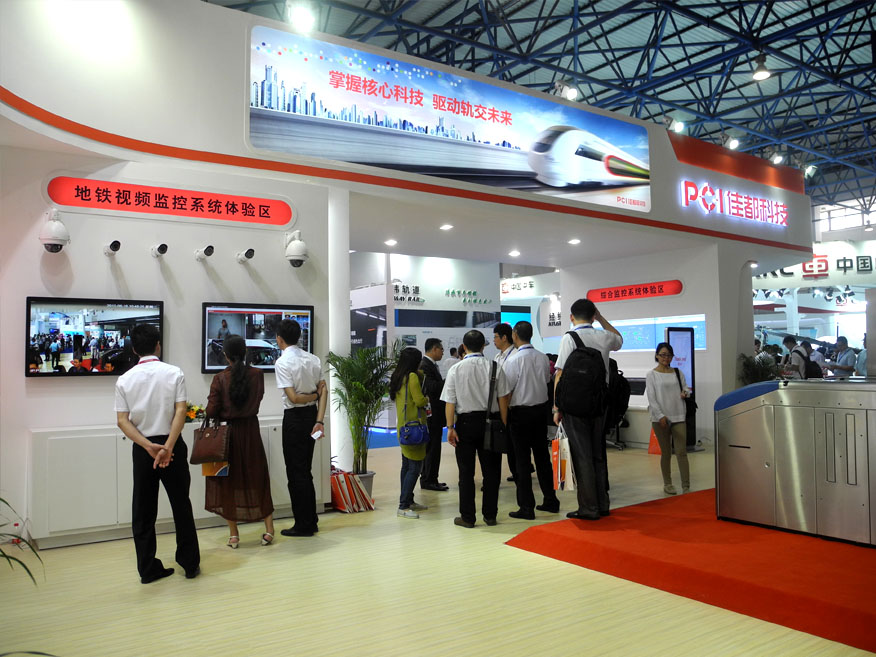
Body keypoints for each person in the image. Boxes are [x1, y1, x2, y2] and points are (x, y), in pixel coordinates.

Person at [114, 324, 200, 583]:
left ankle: (148, 568)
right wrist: (168, 447)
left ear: (133, 349)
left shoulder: (124, 379)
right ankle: (189, 564)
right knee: (181, 505)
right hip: (172, 446)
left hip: (144, 450)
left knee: (143, 510)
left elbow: (122, 420)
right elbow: (181, 411)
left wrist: (148, 446)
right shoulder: (174, 373)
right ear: (158, 345)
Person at [553, 299, 622, 520]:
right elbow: (619, 339)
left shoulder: (570, 337)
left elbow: (560, 373)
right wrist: (601, 319)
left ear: (571, 317)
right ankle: (602, 504)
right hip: (600, 403)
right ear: (593, 316)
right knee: (598, 454)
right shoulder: (604, 336)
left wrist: (556, 406)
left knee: (582, 455)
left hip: (575, 405)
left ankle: (588, 507)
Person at [204, 335, 274, 548]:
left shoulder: (219, 379)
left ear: (225, 355)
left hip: (227, 436)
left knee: (227, 482)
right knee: (258, 478)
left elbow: (211, 411)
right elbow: (258, 399)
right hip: (251, 432)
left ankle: (234, 535)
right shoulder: (258, 375)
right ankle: (269, 530)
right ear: (245, 352)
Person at [441, 330, 511, 528]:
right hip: (491, 423)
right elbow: (503, 399)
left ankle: (468, 517)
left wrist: (450, 427)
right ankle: (490, 515)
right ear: (483, 346)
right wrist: (503, 424)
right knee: (492, 472)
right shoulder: (495, 367)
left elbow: (450, 402)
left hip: (465, 424)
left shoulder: (456, 369)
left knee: (466, 473)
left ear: (464, 347)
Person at [274, 319, 327, 537]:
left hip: (294, 420)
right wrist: (319, 421)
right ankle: (311, 520)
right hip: (312, 418)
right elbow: (324, 391)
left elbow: (294, 398)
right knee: (305, 470)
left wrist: (313, 396)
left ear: (279, 339)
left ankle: (303, 524)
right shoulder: (313, 359)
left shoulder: (282, 363)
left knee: (296, 473)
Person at [503, 321, 559, 519]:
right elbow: (546, 381)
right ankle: (551, 500)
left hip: (520, 414)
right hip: (540, 412)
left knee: (522, 461)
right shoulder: (543, 357)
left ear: (515, 335)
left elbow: (507, 390)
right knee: (543, 458)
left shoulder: (513, 360)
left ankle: (527, 507)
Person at [389, 347, 430, 518]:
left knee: (406, 466)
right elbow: (419, 400)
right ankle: (404, 505)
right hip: (415, 427)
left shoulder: (398, 376)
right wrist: (427, 399)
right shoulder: (412, 377)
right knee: (415, 467)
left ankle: (408, 500)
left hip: (404, 427)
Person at [645, 343, 691, 495]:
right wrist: (660, 416)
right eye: (663, 355)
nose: (666, 358)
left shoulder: (677, 372)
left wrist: (685, 393)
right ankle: (668, 484)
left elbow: (686, 388)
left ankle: (686, 485)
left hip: (679, 416)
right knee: (666, 453)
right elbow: (652, 398)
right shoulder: (651, 375)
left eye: (669, 355)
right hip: (661, 419)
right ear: (657, 355)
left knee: (681, 452)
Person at [493, 323, 522, 482]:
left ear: (505, 337)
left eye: (496, 337)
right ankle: (515, 471)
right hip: (501, 405)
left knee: (515, 443)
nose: (494, 340)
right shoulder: (497, 357)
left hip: (514, 405)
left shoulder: (516, 355)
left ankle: (519, 472)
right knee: (508, 442)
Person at [419, 338, 448, 492]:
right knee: (432, 449)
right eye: (441, 349)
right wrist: (449, 380)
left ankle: (431, 478)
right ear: (434, 349)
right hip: (432, 415)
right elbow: (432, 388)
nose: (443, 352)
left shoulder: (430, 365)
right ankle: (429, 480)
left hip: (435, 415)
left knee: (434, 448)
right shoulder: (425, 366)